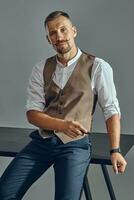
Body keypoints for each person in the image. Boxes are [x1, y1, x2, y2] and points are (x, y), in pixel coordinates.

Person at [0, 11, 127, 200]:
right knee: (4, 192)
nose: (58, 36)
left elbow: (111, 110)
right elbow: (32, 114)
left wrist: (115, 151)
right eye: (53, 33)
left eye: (63, 29)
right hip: (42, 142)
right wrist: (63, 125)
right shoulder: (40, 68)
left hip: (75, 146)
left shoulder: (98, 66)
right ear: (48, 39)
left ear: (73, 31)